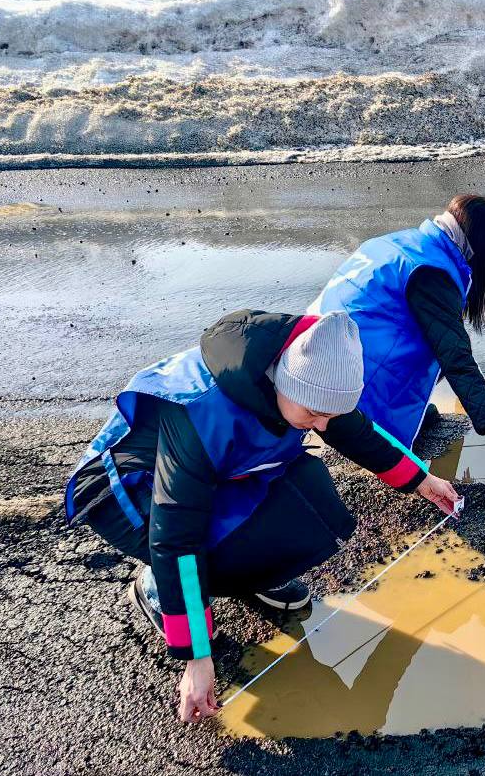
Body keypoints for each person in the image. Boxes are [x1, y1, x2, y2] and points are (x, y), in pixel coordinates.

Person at [65, 309, 460, 724]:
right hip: (127, 497)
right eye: (313, 414)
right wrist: (196, 656)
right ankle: (159, 591)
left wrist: (420, 479)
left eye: (329, 414)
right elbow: (177, 534)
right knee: (207, 550)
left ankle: (248, 576)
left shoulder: (304, 379)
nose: (322, 425)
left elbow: (355, 429)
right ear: (283, 382)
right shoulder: (201, 413)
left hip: (214, 480)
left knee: (312, 498)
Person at [310, 194, 485, 467]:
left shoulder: (402, 243)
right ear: (480, 247)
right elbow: (455, 356)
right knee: (443, 346)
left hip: (308, 353)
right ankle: (377, 426)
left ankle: (410, 413)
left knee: (439, 338)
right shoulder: (431, 272)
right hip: (339, 388)